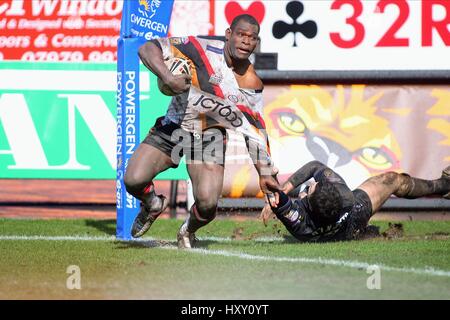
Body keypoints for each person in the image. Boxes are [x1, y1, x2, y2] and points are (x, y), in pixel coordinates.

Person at [124, 14, 280, 248]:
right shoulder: (199, 48)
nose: (247, 41)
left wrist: (265, 173)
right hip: (174, 126)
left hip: (209, 137)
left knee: (207, 206)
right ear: (229, 35)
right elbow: (147, 48)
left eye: (252, 38)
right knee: (133, 180)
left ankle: (187, 230)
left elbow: (254, 131)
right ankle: (152, 204)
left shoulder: (251, 83)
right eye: (241, 35)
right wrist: (168, 78)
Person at [261, 161, 450, 242]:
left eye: (312, 187)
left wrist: (279, 193)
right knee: (394, 180)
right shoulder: (345, 197)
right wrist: (278, 195)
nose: (313, 184)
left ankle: (367, 233)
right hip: (354, 216)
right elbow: (316, 167)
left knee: (392, 180)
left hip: (336, 230)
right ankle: (444, 185)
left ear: (306, 202)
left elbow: (277, 194)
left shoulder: (299, 222)